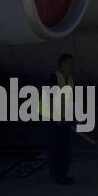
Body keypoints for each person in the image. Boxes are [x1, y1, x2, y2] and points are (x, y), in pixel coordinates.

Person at [42, 54, 75, 185]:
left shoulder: (71, 79)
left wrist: (73, 117)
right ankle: (57, 176)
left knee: (65, 148)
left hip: (63, 119)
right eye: (70, 63)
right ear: (62, 65)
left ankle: (63, 174)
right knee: (54, 148)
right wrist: (56, 117)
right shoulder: (53, 79)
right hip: (50, 119)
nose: (72, 66)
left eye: (73, 63)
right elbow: (48, 99)